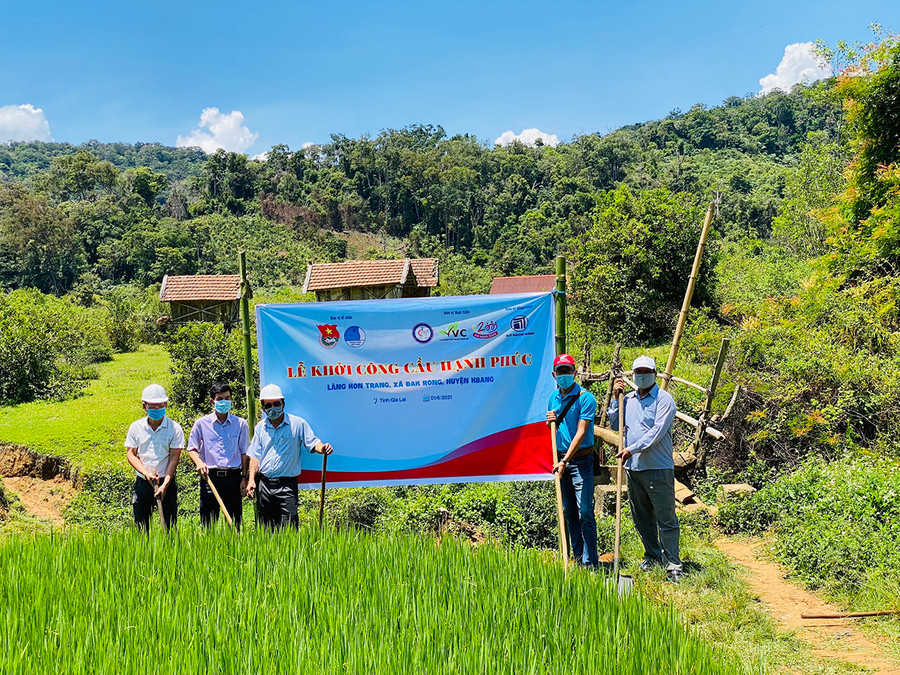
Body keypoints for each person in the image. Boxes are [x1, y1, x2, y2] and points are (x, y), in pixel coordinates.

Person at [608, 355, 682, 582]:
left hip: (657, 467)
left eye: (646, 371)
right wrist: (615, 399)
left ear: (655, 374)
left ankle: (673, 564)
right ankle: (653, 556)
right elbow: (616, 425)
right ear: (633, 375)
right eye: (638, 372)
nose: (641, 375)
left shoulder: (664, 400)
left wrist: (632, 449)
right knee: (641, 518)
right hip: (634, 469)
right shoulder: (628, 399)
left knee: (665, 518)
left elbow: (657, 432)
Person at [245, 384, 333, 529]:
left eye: (276, 403)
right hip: (264, 486)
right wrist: (251, 480)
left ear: (283, 404)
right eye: (268, 405)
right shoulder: (260, 427)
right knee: (266, 530)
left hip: (286, 486)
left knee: (290, 528)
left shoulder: (298, 424)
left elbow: (313, 443)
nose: (273, 408)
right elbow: (255, 456)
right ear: (263, 408)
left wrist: (322, 448)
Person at [545, 353, 599, 569]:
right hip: (560, 460)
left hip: (580, 460)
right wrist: (550, 423)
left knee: (584, 510)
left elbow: (581, 432)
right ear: (554, 375)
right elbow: (554, 429)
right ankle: (577, 557)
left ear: (575, 373)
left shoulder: (586, 398)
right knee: (568, 510)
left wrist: (565, 461)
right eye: (560, 371)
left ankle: (590, 561)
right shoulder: (553, 398)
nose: (564, 374)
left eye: (568, 370)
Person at [186, 383, 250, 529]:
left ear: (231, 399)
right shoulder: (201, 424)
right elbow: (192, 448)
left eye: (227, 398)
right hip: (210, 478)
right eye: (220, 399)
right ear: (212, 401)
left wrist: (244, 477)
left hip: (233, 478)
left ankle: (234, 543)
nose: (224, 402)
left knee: (235, 522)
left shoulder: (241, 424)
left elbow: (245, 453)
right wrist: (199, 462)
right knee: (208, 523)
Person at [125, 384, 184, 531]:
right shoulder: (136, 427)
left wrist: (165, 485)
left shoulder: (175, 428)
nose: (156, 408)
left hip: (166, 482)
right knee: (141, 527)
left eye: (160, 405)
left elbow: (174, 458)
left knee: (170, 526)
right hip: (143, 482)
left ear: (166, 404)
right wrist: (146, 474)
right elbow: (131, 454)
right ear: (144, 406)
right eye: (152, 405)